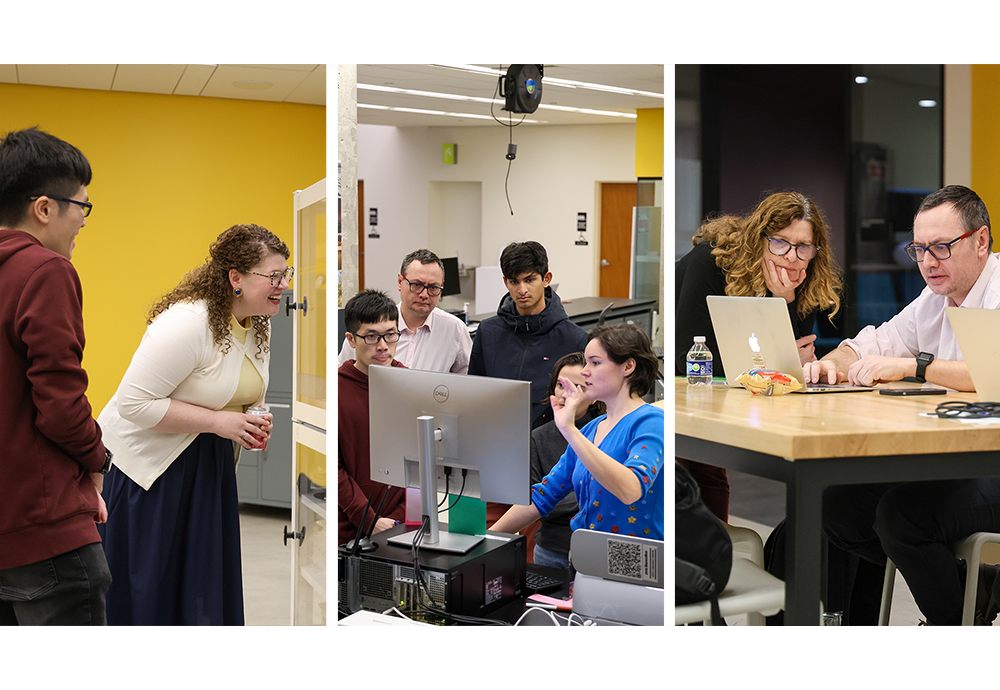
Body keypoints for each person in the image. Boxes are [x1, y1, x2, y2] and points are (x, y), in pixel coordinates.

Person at [805, 184, 1000, 625]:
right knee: (837, 508)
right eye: (919, 249)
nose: (929, 262)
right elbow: (871, 341)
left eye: (942, 248)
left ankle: (955, 631)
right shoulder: (933, 299)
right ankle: (971, 584)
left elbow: (990, 373)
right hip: (953, 458)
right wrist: (830, 364)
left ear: (981, 240)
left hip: (995, 460)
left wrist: (914, 364)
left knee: (902, 518)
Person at [96, 223, 290, 625]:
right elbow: (134, 403)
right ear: (235, 278)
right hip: (152, 472)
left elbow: (238, 385)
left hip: (206, 465)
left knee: (199, 584)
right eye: (274, 276)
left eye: (286, 275)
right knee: (150, 586)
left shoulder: (258, 323)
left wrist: (253, 420)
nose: (283, 285)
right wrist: (220, 422)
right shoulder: (187, 322)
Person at [0, 127, 112, 625]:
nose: (83, 224)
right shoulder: (45, 270)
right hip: (44, 530)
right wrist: (96, 461)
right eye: (81, 209)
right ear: (44, 208)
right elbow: (63, 408)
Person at [675, 191, 843, 521]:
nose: (793, 257)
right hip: (690, 392)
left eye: (804, 247)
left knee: (710, 477)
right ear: (759, 240)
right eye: (780, 243)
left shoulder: (803, 279)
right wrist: (774, 360)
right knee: (698, 473)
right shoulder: (710, 262)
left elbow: (792, 364)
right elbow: (688, 360)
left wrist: (784, 298)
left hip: (742, 397)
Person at [491, 323, 664, 545]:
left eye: (595, 362)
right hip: (586, 558)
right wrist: (486, 539)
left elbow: (631, 489)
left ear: (628, 366)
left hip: (635, 563)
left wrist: (569, 430)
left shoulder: (651, 422)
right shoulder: (590, 430)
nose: (584, 371)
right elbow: (544, 495)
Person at [470, 240, 588, 430]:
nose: (522, 290)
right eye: (514, 281)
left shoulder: (575, 339)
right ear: (505, 281)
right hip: (496, 441)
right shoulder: (488, 332)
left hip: (552, 448)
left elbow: (587, 407)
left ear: (546, 279)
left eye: (530, 280)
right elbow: (474, 394)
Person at [338, 289, 408, 546]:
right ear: (351, 339)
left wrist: (399, 517)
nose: (383, 346)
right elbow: (334, 469)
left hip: (405, 527)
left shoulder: (412, 384)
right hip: (350, 531)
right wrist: (369, 519)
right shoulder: (336, 391)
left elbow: (424, 461)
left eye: (390, 334)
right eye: (371, 337)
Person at [338, 249, 472, 374]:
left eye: (433, 287)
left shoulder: (455, 330)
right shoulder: (369, 326)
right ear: (400, 282)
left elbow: (468, 384)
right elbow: (341, 376)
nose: (424, 294)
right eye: (417, 285)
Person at [528, 352, 606, 569]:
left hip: (596, 549)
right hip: (550, 549)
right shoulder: (538, 437)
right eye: (561, 385)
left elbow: (608, 496)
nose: (566, 395)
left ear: (593, 394)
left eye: (577, 387)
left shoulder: (605, 431)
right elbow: (532, 499)